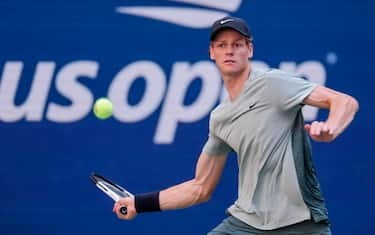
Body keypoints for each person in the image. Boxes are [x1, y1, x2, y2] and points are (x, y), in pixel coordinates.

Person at [113, 16, 359, 234]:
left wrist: (332, 128)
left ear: (249, 50)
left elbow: (344, 102)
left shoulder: (273, 83)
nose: (229, 51)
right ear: (212, 52)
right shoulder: (220, 118)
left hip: (301, 224)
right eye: (222, 45)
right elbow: (200, 188)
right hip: (246, 224)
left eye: (237, 44)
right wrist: (138, 203)